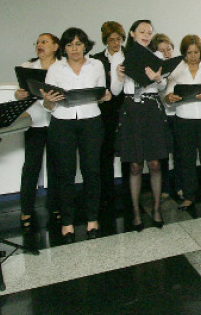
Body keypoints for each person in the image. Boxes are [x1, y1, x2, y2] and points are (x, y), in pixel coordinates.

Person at [42, 27, 110, 243]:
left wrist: (105, 96)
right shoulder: (55, 68)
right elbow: (48, 105)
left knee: (92, 171)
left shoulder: (96, 65)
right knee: (65, 174)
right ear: (64, 47)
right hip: (62, 123)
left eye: (78, 44)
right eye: (70, 45)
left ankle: (92, 219)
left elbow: (102, 93)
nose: (74, 49)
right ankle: (67, 222)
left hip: (91, 121)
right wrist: (48, 99)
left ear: (85, 46)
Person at [113, 20, 171, 230]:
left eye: (149, 32)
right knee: (135, 165)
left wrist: (157, 79)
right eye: (142, 32)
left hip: (151, 108)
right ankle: (136, 212)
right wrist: (119, 77)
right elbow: (115, 90)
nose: (146, 35)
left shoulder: (155, 56)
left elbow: (163, 87)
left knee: (155, 163)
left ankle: (156, 209)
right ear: (132, 33)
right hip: (131, 108)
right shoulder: (121, 56)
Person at [164, 35, 201, 213]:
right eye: (189, 52)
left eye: (196, 52)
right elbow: (167, 96)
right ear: (183, 53)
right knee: (186, 159)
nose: (193, 56)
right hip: (184, 119)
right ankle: (189, 196)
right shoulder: (176, 71)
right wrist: (170, 97)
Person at [15, 32, 61, 231]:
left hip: (56, 122)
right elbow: (19, 93)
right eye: (38, 42)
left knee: (56, 168)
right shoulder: (27, 67)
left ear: (55, 46)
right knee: (31, 168)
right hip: (34, 123)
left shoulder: (62, 68)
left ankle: (56, 207)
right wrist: (19, 94)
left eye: (45, 42)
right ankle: (26, 209)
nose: (39, 45)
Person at [90, 22, 126, 211]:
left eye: (118, 39)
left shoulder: (129, 56)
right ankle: (107, 194)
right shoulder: (96, 60)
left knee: (128, 151)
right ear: (106, 41)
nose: (115, 43)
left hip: (126, 107)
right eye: (111, 40)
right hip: (105, 110)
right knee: (105, 153)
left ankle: (129, 192)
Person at [151, 33, 180, 202]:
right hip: (161, 116)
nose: (166, 53)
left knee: (180, 153)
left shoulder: (181, 66)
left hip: (178, 114)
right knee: (163, 155)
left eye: (168, 49)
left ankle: (180, 186)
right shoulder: (153, 69)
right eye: (162, 51)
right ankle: (165, 188)